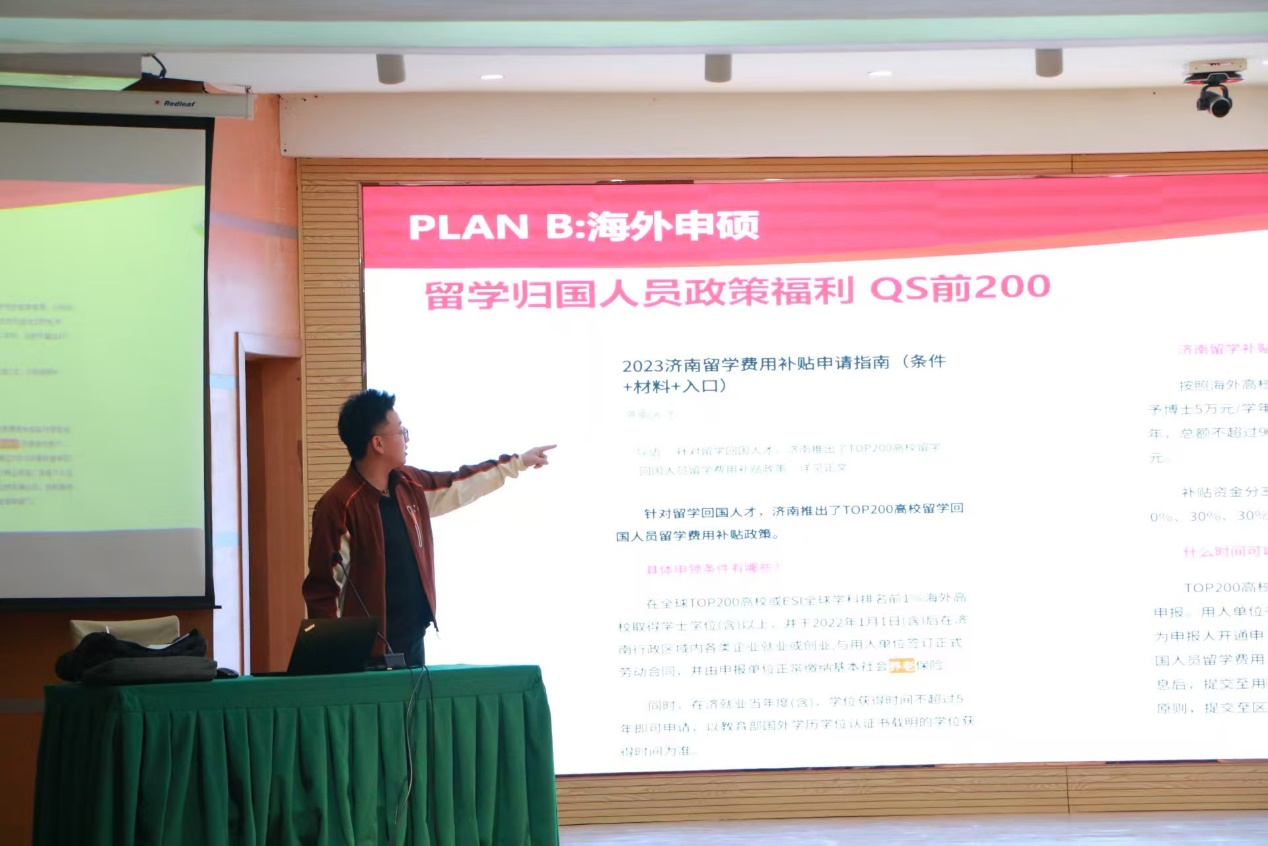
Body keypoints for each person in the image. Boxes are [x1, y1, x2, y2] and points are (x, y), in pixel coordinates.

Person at [303, 388, 554, 667]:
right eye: (401, 431)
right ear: (378, 443)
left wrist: (518, 463)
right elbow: (324, 590)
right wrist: (335, 664)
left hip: (412, 642)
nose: (406, 438)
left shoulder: (408, 485)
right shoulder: (339, 505)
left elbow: (459, 485)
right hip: (364, 656)